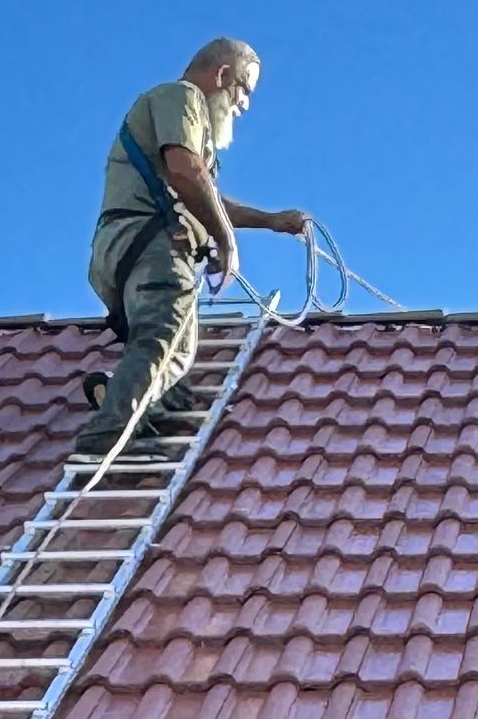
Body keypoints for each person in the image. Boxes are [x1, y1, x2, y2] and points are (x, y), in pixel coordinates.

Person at [70, 38, 309, 464]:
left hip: (127, 250)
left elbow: (208, 194)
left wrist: (270, 221)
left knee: (175, 364)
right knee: (166, 341)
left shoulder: (189, 125)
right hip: (149, 246)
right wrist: (225, 241)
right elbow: (186, 172)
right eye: (244, 91)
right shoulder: (181, 99)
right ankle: (105, 442)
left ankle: (121, 396)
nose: (244, 106)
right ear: (221, 76)